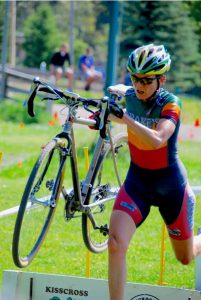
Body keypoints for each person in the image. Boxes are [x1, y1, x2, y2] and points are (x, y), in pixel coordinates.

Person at [107, 44, 201, 300]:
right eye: (134, 78)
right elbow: (116, 99)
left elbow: (158, 139)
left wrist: (125, 119)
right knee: (115, 245)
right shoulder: (130, 94)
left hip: (171, 186)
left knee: (185, 258)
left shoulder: (172, 104)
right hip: (138, 182)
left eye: (147, 80)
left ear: (162, 79)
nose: (139, 85)